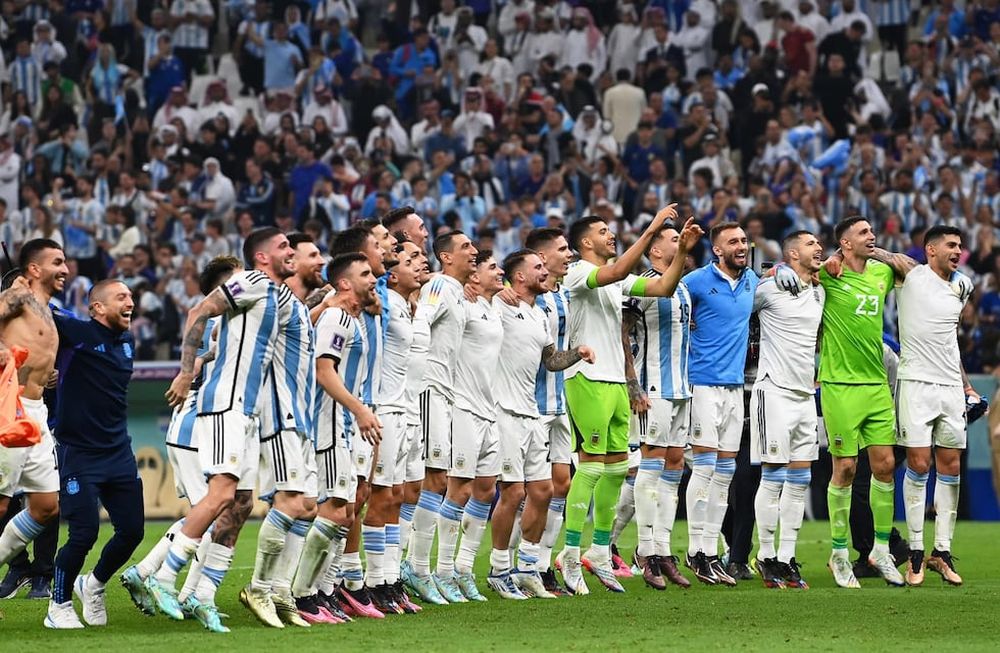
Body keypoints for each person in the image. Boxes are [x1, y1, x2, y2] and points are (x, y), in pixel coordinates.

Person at [147, 228, 293, 620]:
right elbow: (198, 312)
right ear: (261, 258)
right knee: (220, 496)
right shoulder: (252, 280)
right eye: (283, 247)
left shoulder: (274, 297)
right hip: (225, 404)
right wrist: (182, 373)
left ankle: (201, 595)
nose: (290, 251)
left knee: (237, 503)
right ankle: (159, 577)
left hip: (244, 411)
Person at [556, 205, 701, 595]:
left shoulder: (614, 281)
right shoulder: (577, 273)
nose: (610, 234)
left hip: (616, 380)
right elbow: (618, 270)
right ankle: (570, 553)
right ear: (586, 242)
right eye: (604, 231)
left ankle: (599, 551)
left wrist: (683, 250)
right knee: (589, 468)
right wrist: (653, 225)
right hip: (585, 378)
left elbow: (660, 288)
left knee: (618, 468)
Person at [120, 256, 243, 633]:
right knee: (213, 512)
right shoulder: (220, 319)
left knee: (215, 511)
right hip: (197, 427)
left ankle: (169, 585)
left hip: (208, 425)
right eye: (241, 279)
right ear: (225, 285)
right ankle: (162, 581)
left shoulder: (228, 320)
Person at [490, 249, 594, 600]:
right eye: (537, 267)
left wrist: (576, 353)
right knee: (513, 492)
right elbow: (469, 297)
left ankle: (528, 568)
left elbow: (550, 360)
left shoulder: (538, 314)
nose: (544, 270)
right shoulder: (499, 305)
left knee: (544, 491)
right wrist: (493, 291)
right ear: (518, 277)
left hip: (532, 412)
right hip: (504, 411)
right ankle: (498, 569)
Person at [879, 225, 976, 586]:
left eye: (960, 246)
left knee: (950, 466)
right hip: (916, 384)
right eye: (951, 245)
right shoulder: (910, 272)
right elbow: (875, 253)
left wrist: (966, 384)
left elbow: (949, 341)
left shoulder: (962, 286)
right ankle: (916, 553)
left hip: (950, 387)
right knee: (918, 464)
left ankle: (942, 551)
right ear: (930, 250)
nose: (958, 250)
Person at [46, 279, 143, 629]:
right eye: (121, 297)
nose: (130, 301)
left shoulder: (128, 341)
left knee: (132, 532)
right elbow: (41, 313)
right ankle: (58, 605)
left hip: (119, 451)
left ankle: (94, 584)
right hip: (80, 453)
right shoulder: (76, 331)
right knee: (83, 533)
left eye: (131, 296)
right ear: (98, 308)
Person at [291, 253, 380, 624]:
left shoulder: (350, 316)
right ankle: (303, 595)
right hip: (327, 423)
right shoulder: (337, 316)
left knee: (344, 510)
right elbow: (323, 371)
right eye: (365, 274)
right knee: (334, 509)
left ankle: (321, 592)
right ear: (344, 283)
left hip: (341, 424)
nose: (373, 278)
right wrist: (360, 409)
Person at [820, 216, 904, 588]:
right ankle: (839, 554)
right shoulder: (829, 275)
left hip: (875, 386)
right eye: (864, 233)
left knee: (885, 466)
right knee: (847, 469)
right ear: (845, 241)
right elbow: (785, 270)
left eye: (872, 231)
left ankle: (881, 550)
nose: (872, 236)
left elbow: (913, 269)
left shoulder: (881, 273)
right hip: (839, 384)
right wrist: (829, 260)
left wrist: (877, 253)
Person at [244, 232, 322, 629]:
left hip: (302, 420)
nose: (318, 261)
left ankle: (280, 590)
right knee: (290, 502)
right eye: (311, 256)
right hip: (280, 416)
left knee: (308, 507)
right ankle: (259, 587)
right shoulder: (270, 300)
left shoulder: (295, 307)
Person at [682, 222, 764, 586]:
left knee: (726, 472)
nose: (742, 246)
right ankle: (697, 548)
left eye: (745, 240)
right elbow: (671, 312)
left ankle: (713, 554)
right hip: (701, 385)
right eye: (734, 241)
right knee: (703, 468)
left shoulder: (752, 281)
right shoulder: (696, 282)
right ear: (717, 249)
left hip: (735, 388)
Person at [404, 230, 477, 604]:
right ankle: (415, 568)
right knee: (433, 479)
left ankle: (408, 568)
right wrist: (415, 380)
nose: (474, 251)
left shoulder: (459, 295)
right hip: (429, 388)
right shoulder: (440, 287)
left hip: (443, 392)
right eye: (466, 247)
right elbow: (420, 324)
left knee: (428, 480)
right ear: (446, 257)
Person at [749, 231, 825, 590]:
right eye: (811, 244)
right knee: (774, 475)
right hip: (773, 390)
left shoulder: (820, 290)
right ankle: (766, 556)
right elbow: (736, 301)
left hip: (804, 396)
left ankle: (786, 557)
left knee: (801, 480)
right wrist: (772, 269)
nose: (819, 248)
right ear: (793, 253)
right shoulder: (769, 289)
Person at [621, 223, 694, 590]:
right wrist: (632, 384)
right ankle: (646, 552)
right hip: (653, 387)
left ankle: (663, 550)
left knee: (675, 467)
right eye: (672, 239)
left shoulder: (682, 285)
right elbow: (623, 332)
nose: (679, 242)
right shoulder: (643, 284)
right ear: (654, 250)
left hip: (682, 389)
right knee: (649, 468)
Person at [431, 250, 504, 604]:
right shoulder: (460, 300)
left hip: (489, 410)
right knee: (458, 489)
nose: (497, 270)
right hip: (462, 407)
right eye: (491, 267)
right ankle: (442, 571)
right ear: (473, 278)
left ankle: (463, 569)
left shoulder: (492, 306)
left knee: (486, 490)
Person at [0, 240, 64, 623]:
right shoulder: (18, 296)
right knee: (1, 503)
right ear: (34, 269)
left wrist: (46, 375)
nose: (65, 268)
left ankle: (15, 566)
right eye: (57, 262)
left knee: (46, 507)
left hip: (37, 410)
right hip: (10, 408)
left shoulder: (45, 309)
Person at [525, 228, 575, 594]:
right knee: (529, 492)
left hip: (559, 402)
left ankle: (542, 564)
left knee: (562, 485)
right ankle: (515, 564)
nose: (569, 254)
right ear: (541, 257)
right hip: (532, 405)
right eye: (562, 249)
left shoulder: (565, 293)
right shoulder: (525, 299)